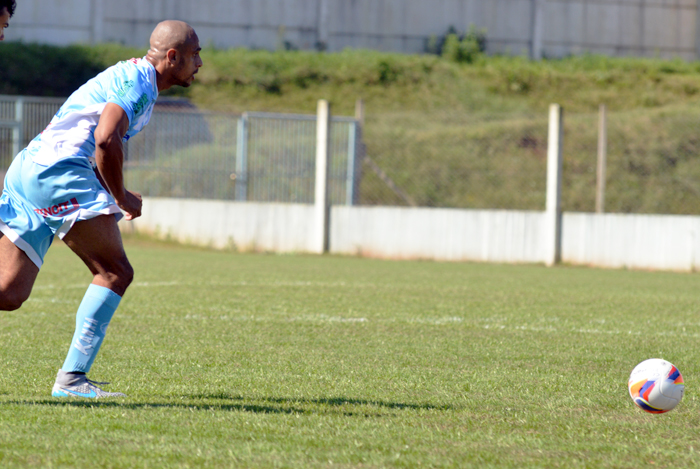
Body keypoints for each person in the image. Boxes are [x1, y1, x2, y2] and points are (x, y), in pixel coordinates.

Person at [0, 20, 203, 398]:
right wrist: (121, 196)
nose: (200, 63)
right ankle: (72, 381)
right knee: (114, 272)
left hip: (30, 169)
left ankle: (73, 382)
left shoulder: (135, 77)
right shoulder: (139, 83)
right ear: (172, 57)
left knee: (7, 293)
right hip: (59, 172)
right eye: (195, 55)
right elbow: (105, 139)